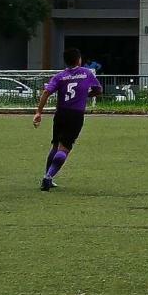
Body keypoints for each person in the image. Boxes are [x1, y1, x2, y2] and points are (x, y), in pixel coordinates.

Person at [33, 48, 102, 191]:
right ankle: (48, 177)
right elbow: (98, 90)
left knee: (56, 145)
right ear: (79, 60)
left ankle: (47, 175)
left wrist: (39, 112)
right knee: (64, 148)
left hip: (61, 113)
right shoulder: (86, 73)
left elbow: (46, 92)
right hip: (76, 115)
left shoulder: (60, 76)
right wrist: (86, 95)